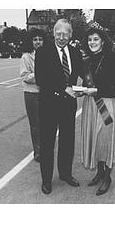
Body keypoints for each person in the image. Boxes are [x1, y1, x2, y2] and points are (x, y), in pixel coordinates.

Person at [35, 19, 84, 195]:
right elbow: (41, 79)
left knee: (67, 142)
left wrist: (84, 89)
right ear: (53, 33)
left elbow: (82, 75)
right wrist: (64, 88)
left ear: (71, 34)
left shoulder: (76, 52)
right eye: (58, 34)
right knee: (47, 144)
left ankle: (65, 174)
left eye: (65, 34)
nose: (62, 37)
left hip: (68, 105)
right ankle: (46, 180)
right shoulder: (42, 52)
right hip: (48, 104)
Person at [81, 28, 115, 196]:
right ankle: (99, 172)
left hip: (105, 106)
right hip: (90, 106)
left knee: (106, 140)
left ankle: (107, 176)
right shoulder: (86, 60)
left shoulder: (113, 59)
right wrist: (81, 90)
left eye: (96, 39)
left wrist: (96, 91)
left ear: (103, 42)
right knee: (95, 139)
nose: (92, 42)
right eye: (90, 39)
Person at [20, 29, 48, 163]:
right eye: (35, 39)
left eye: (40, 39)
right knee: (35, 124)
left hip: (46, 93)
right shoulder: (26, 57)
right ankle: (38, 151)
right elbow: (25, 76)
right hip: (32, 94)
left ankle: (46, 148)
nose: (38, 42)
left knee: (47, 122)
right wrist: (41, 75)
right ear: (31, 41)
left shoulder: (49, 54)